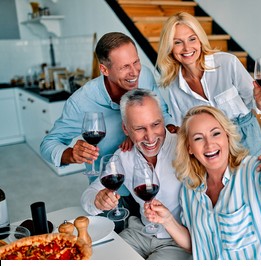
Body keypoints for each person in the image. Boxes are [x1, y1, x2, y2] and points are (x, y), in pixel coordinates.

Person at [145, 105, 261, 260]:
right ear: (190, 148)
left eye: (215, 134)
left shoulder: (254, 171)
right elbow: (197, 245)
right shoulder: (189, 189)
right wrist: (167, 220)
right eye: (198, 138)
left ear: (227, 136)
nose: (209, 144)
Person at [40, 32, 175, 187]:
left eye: (136, 62)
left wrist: (168, 130)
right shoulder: (81, 102)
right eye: (125, 66)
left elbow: (162, 112)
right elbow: (48, 144)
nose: (135, 72)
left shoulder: (145, 75)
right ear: (104, 70)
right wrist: (71, 154)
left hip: (150, 178)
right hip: (111, 187)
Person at [80, 88, 192, 260]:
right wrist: (98, 201)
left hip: (177, 241)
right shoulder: (124, 155)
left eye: (155, 124)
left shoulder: (185, 148)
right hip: (139, 233)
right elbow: (89, 195)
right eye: (139, 128)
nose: (150, 137)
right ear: (126, 129)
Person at [156, 12, 261, 156]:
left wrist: (260, 99)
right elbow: (184, 127)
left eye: (192, 39)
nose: (186, 48)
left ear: (200, 40)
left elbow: (258, 105)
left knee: (258, 178)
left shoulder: (227, 63)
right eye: (178, 42)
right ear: (170, 47)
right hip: (210, 149)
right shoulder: (174, 86)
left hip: (245, 138)